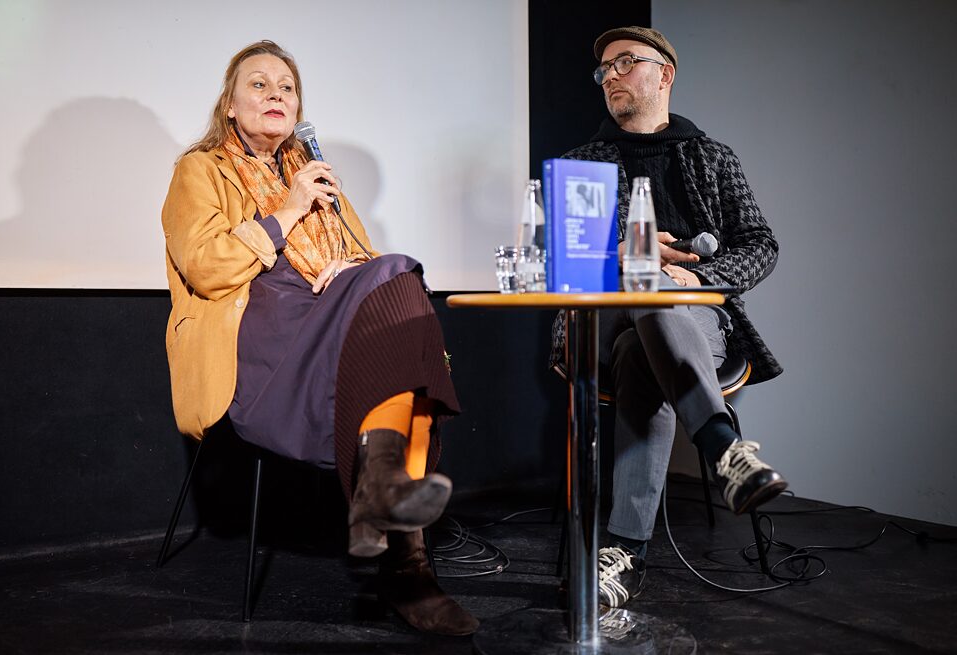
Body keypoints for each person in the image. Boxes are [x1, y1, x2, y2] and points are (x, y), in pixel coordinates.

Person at [161, 40, 477, 636]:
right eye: (259, 84)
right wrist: (287, 211)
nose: (276, 94)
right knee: (399, 302)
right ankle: (404, 564)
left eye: (287, 86)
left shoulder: (315, 176)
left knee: (397, 281)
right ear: (229, 105)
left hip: (325, 319)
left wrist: (347, 266)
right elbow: (205, 267)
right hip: (258, 331)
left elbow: (368, 259)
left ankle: (386, 512)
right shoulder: (200, 170)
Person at [550, 26, 788, 608]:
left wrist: (694, 278)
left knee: (643, 351)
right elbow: (563, 267)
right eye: (603, 69)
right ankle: (725, 449)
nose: (610, 76)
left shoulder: (712, 157)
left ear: (665, 74)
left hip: (694, 317)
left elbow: (760, 245)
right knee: (642, 284)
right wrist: (629, 257)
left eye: (625, 62)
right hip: (599, 320)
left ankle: (623, 554)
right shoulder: (580, 164)